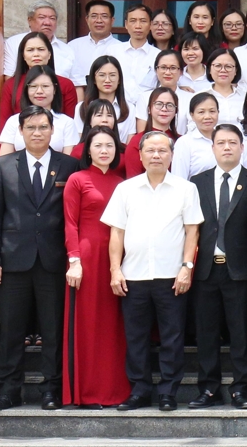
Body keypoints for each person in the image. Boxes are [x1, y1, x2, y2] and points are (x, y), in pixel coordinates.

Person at [0, 106, 81, 410]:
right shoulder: (3, 165)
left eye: (43, 127)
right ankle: (8, 390)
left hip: (53, 261)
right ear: (20, 131)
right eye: (30, 127)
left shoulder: (69, 165)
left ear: (53, 130)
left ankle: (51, 389)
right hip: (13, 260)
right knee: (12, 329)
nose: (37, 133)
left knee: (52, 329)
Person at [101, 131, 203, 411]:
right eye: (150, 150)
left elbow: (192, 231)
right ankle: (140, 391)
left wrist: (187, 267)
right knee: (136, 337)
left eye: (162, 151)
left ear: (171, 156)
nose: (156, 155)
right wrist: (115, 270)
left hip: (172, 276)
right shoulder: (125, 189)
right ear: (140, 155)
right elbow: (116, 233)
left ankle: (168, 392)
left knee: (172, 336)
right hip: (133, 276)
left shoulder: (186, 189)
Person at [187, 124, 247, 409]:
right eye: (221, 143)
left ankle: (241, 388)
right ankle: (208, 389)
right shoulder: (197, 182)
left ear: (242, 147)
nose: (227, 147)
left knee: (241, 332)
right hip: (205, 269)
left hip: (239, 269)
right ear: (212, 147)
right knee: (206, 333)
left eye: (232, 142)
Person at [61, 126, 129, 407]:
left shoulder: (122, 183)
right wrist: (74, 260)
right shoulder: (77, 179)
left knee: (113, 325)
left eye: (109, 145)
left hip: (118, 257)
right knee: (88, 325)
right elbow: (70, 223)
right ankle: (87, 391)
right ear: (87, 150)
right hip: (87, 258)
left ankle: (114, 389)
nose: (104, 150)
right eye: (98, 145)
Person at [0, 31, 76, 128]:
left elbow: (70, 123)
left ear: (49, 54)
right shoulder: (11, 84)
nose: (36, 54)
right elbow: (4, 124)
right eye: (30, 50)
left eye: (41, 49)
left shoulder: (66, 84)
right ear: (23, 55)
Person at [0, 66, 79, 156]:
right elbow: (4, 161)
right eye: (33, 86)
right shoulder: (13, 121)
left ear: (54, 89)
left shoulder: (67, 123)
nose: (39, 91)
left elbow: (69, 161)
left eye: (45, 86)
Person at [2, 1, 73, 81]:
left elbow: (76, 84)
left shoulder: (67, 49)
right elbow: (9, 78)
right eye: (42, 17)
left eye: (52, 18)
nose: (47, 23)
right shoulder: (14, 43)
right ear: (30, 20)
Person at [123, 87, 180, 179]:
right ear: (149, 109)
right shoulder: (137, 141)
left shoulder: (181, 141)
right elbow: (133, 180)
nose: (164, 109)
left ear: (176, 111)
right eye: (159, 104)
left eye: (170, 105)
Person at [67, 0, 123, 92]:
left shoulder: (121, 48)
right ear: (87, 19)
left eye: (104, 16)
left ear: (112, 20)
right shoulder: (72, 46)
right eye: (94, 16)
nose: (99, 20)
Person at [134, 50, 192, 136]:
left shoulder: (190, 98)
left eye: (173, 68)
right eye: (163, 67)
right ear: (156, 70)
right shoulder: (145, 97)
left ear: (181, 72)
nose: (167, 72)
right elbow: (142, 133)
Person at [78, 55, 133, 142]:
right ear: (94, 79)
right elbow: (81, 141)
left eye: (112, 75)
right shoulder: (82, 107)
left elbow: (129, 143)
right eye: (102, 75)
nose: (107, 80)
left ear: (119, 79)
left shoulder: (129, 108)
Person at [171, 93, 220, 180]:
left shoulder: (226, 139)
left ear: (218, 112)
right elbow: (179, 179)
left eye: (212, 111)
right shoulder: (184, 143)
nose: (207, 117)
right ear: (192, 115)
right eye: (201, 112)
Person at [202, 49, 245, 123]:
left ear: (236, 70)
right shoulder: (200, 97)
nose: (223, 70)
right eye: (218, 66)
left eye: (228, 66)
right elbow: (193, 126)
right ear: (209, 69)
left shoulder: (245, 97)